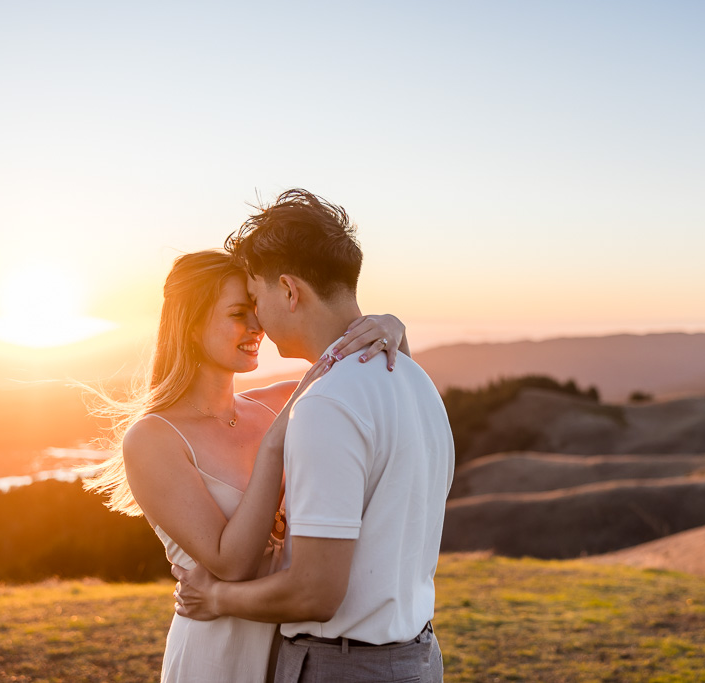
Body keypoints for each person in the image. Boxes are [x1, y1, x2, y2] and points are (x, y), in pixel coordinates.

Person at [82, 248, 408, 682]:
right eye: (239, 313)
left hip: (301, 655)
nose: (258, 326)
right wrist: (274, 445)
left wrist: (394, 332)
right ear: (190, 324)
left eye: (256, 309)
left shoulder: (281, 400)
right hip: (218, 657)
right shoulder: (153, 438)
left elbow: (389, 394)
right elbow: (230, 562)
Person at [172, 190, 455, 682]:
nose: (257, 318)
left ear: (289, 290)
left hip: (344, 667)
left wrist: (215, 596)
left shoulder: (325, 404)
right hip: (416, 658)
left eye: (256, 299)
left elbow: (314, 593)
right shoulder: (415, 379)